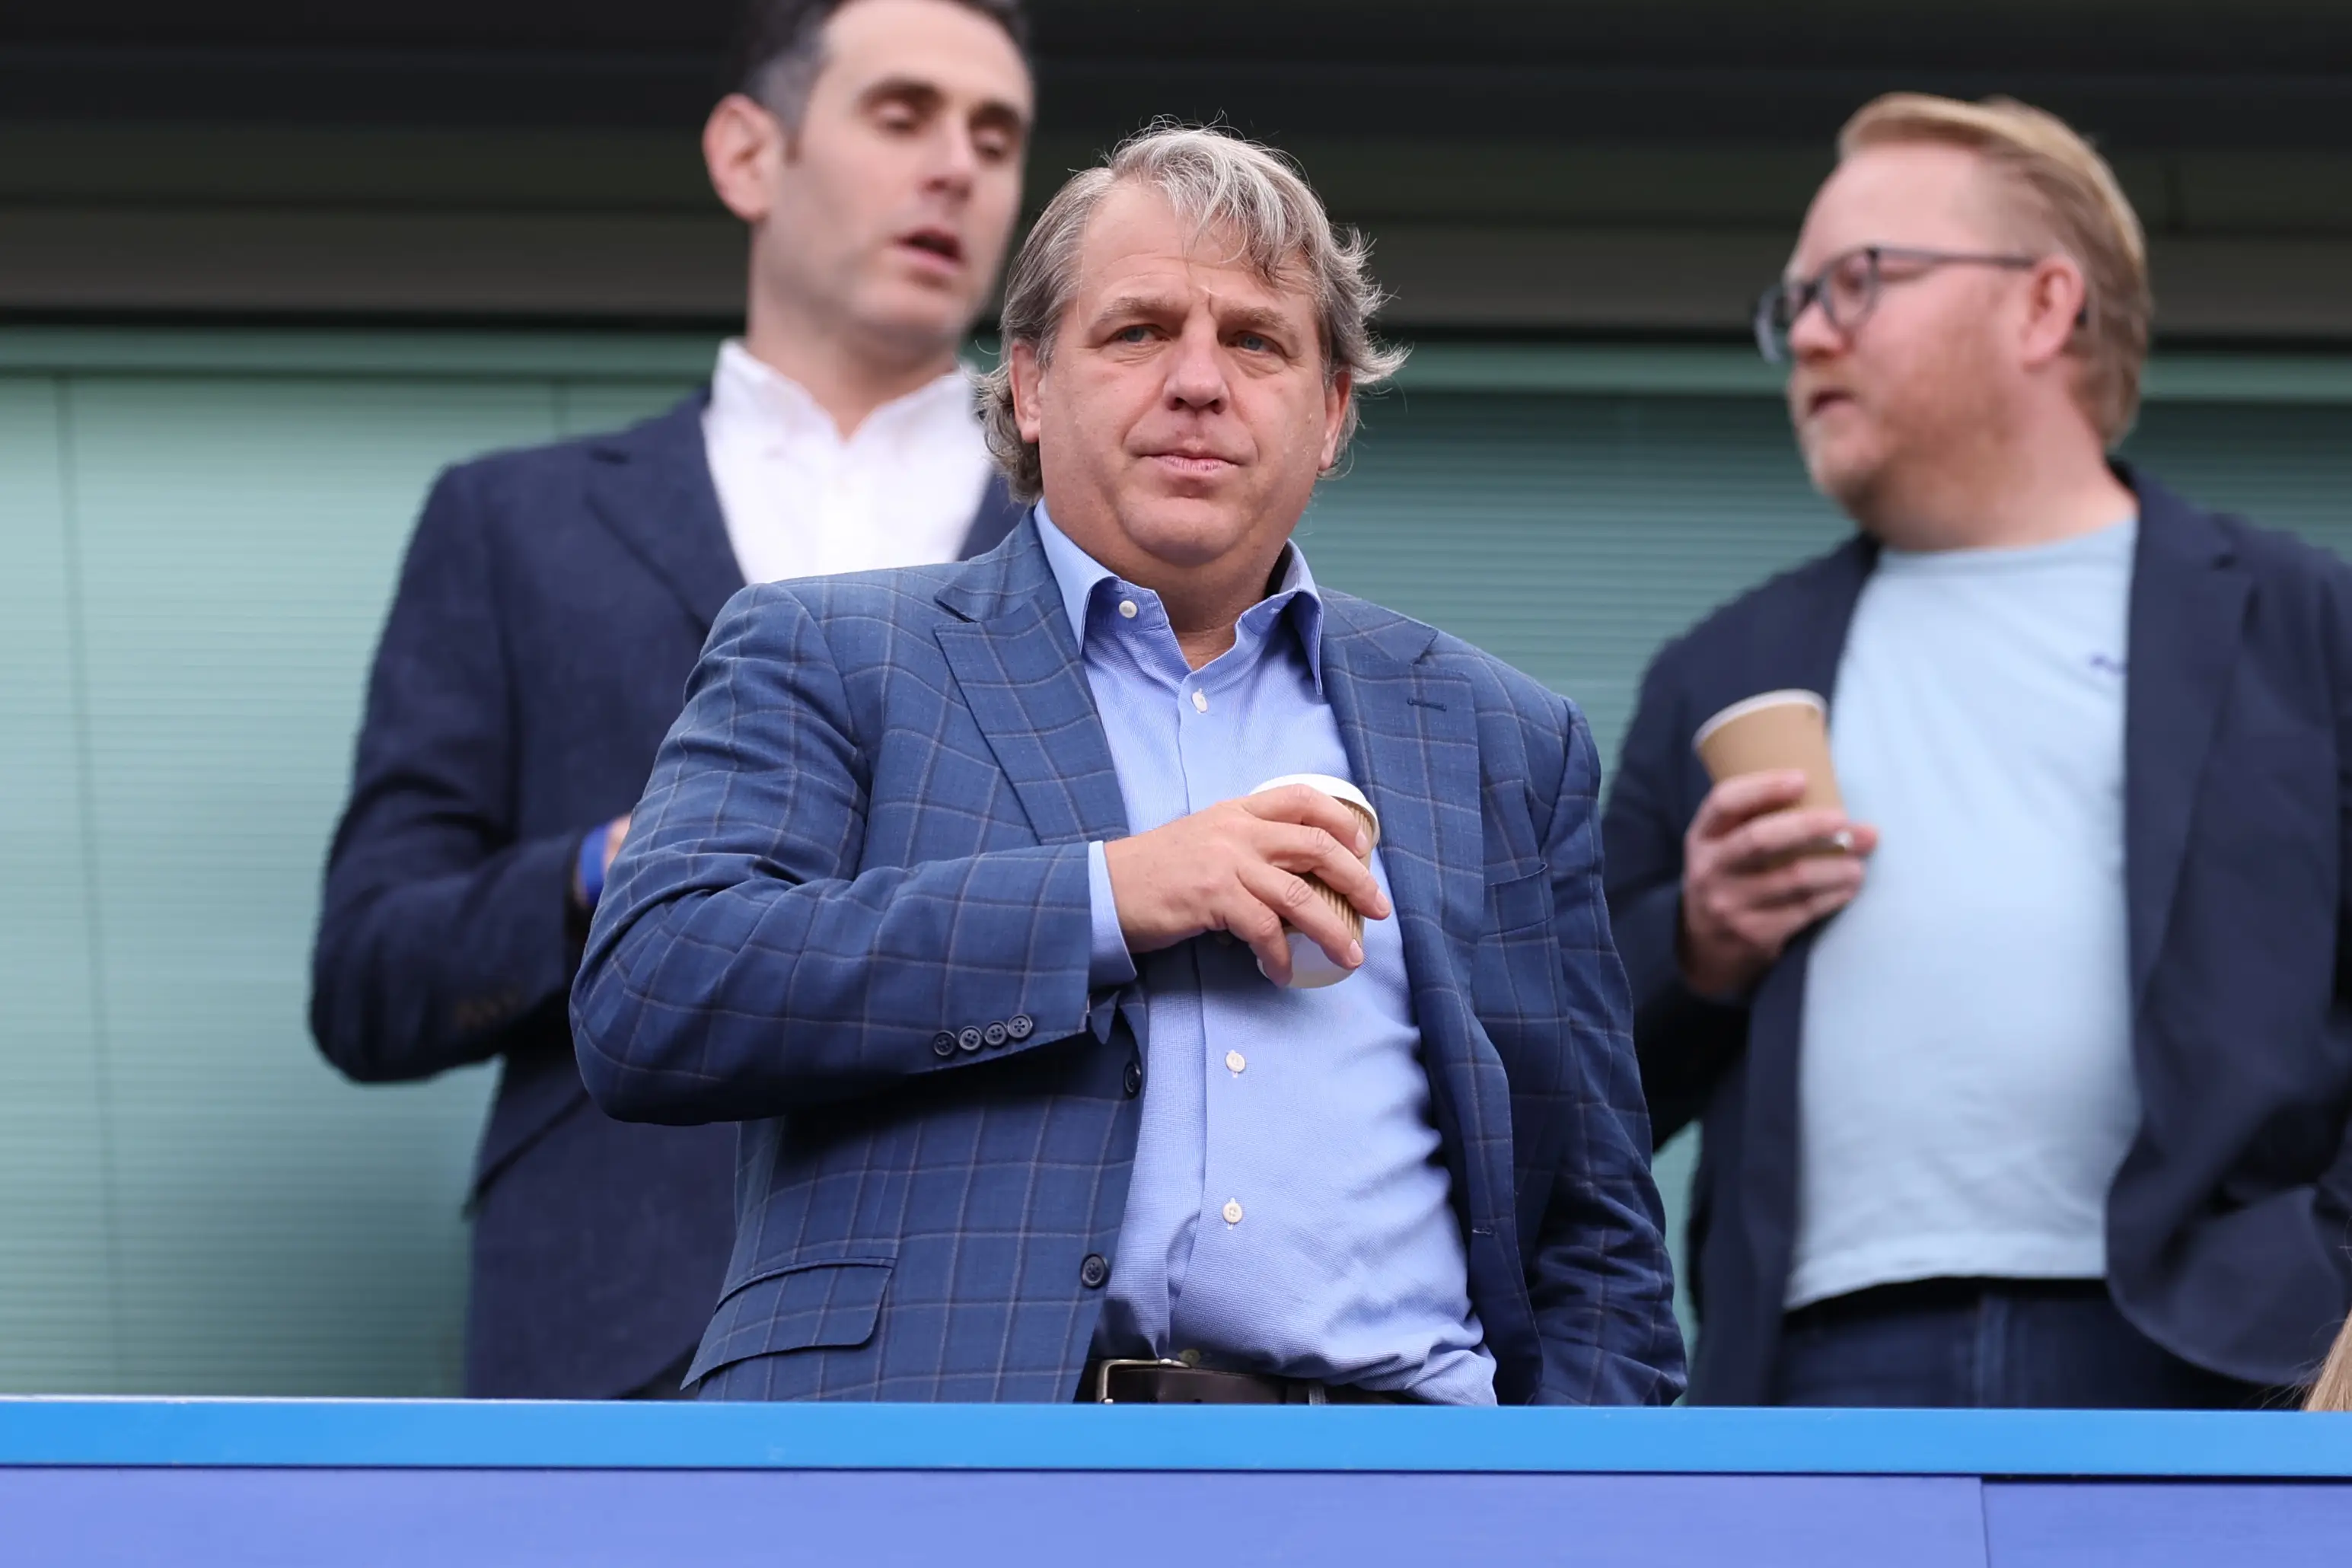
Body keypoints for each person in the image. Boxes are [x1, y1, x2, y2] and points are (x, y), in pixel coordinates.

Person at [572, 125, 1686, 1406]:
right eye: (1139, 330)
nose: (1199, 381)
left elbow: (1596, 1233)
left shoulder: (1502, 740)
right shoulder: (828, 651)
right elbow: (653, 996)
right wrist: (1111, 895)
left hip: (1403, 1489)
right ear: (1033, 386)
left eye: (1257, 341)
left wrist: (1572, 1511)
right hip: (944, 1475)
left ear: (1330, 414)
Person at [308, 0, 1034, 1400]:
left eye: (994, 137)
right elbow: (368, 977)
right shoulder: (513, 524)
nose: (957, 167)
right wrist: (611, 871)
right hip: (615, 1317)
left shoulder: (1092, 547)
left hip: (1000, 1325)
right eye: (902, 116)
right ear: (748, 155)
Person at [1603, 92, 2352, 1408]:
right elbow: (1569, 1082)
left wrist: (2320, 1274)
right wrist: (1699, 943)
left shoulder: (2303, 629)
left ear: (2043, 304)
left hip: (2230, 1368)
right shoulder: (1719, 672)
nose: (1810, 334)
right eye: (1795, 304)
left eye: (1859, 281)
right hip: (1817, 1376)